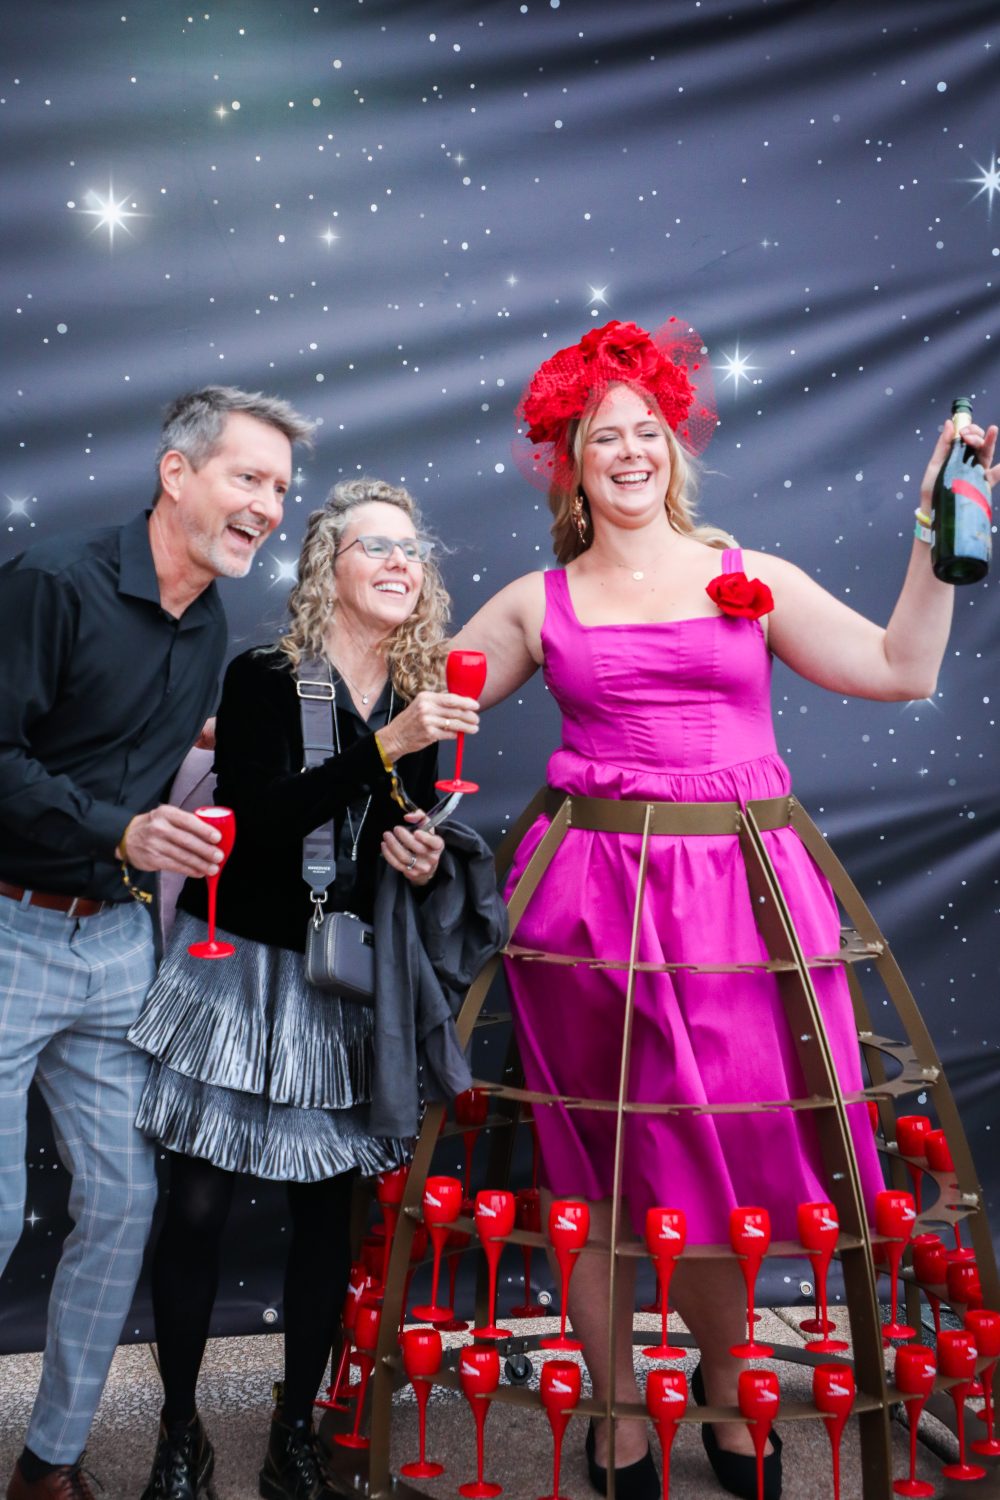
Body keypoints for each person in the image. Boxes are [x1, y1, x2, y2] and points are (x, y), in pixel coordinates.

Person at [452, 319, 998, 1500]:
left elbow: (901, 669)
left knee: (725, 1143)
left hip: (743, 902)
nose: (630, 451)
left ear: (674, 447)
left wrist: (932, 537)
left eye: (648, 430)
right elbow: (418, 709)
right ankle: (614, 1415)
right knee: (597, 1154)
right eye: (605, 436)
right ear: (569, 460)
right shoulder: (535, 601)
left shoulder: (751, 574)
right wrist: (283, 700)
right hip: (589, 906)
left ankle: (725, 1383)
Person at [128, 478, 481, 1500]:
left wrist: (420, 857)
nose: (400, 561)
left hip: (339, 983)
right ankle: (179, 1430)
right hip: (237, 971)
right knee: (197, 1208)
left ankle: (293, 1433)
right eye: (377, 545)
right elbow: (259, 826)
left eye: (412, 549)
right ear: (329, 566)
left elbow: (392, 838)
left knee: (327, 1215)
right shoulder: (265, 677)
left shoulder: (417, 695)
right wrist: (385, 749)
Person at [0, 385, 314, 1500]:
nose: (267, 505)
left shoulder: (211, 625)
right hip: (10, 929)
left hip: (116, 946)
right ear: (176, 473)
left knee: (127, 1205)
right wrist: (118, 828)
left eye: (280, 488)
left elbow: (145, 751)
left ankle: (49, 1465)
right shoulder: (53, 582)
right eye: (247, 477)